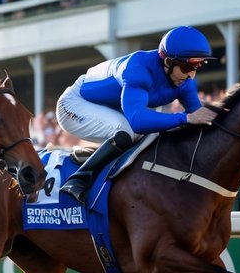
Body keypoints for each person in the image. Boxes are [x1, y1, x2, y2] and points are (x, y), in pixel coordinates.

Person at [55, 26, 220, 204]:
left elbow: (199, 117)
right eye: (187, 67)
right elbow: (138, 122)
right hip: (75, 103)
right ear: (168, 61)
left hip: (113, 106)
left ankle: (91, 157)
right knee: (127, 131)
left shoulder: (184, 81)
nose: (191, 75)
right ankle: (78, 179)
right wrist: (185, 118)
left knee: (154, 133)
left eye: (197, 66)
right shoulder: (138, 70)